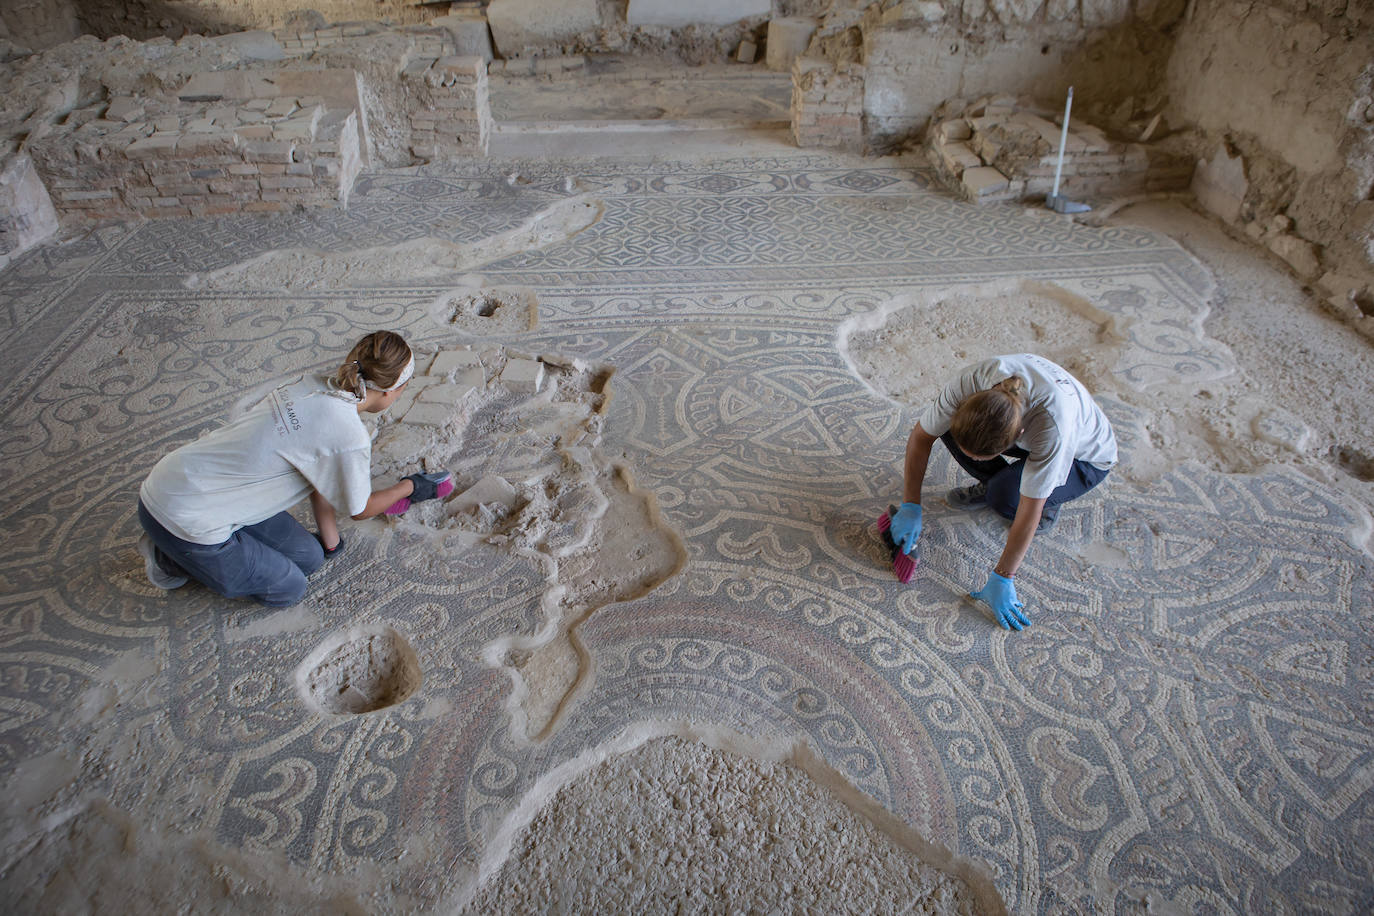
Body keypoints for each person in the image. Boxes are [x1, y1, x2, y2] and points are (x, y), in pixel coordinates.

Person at [135, 330, 452, 607]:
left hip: (183, 477)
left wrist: (330, 542)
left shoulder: (310, 384)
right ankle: (169, 559)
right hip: (179, 515)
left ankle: (219, 538)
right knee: (288, 588)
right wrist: (410, 487)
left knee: (309, 558)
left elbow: (319, 472)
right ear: (389, 391)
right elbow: (361, 509)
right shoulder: (349, 436)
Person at [889, 353, 1117, 631]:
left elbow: (1029, 509)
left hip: (1087, 459)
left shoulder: (1051, 428)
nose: (968, 459)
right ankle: (1014, 479)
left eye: (982, 456)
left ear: (1017, 435)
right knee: (945, 427)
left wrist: (1003, 577)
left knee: (1005, 497)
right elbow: (922, 436)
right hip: (1025, 424)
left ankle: (1048, 493)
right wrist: (911, 504)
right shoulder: (969, 383)